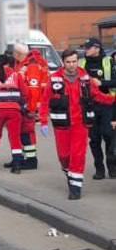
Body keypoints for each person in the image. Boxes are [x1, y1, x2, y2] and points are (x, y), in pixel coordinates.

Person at [48, 48, 115, 200]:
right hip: (62, 125)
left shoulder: (85, 78)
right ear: (63, 63)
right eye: (68, 62)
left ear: (77, 61)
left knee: (78, 155)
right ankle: (70, 173)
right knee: (64, 156)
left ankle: (75, 189)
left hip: (80, 125)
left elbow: (98, 96)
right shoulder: (54, 79)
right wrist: (44, 122)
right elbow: (46, 99)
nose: (71, 65)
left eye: (74, 61)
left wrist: (113, 99)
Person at [0, 54, 26, 173]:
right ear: (9, 63)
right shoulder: (17, 76)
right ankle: (17, 165)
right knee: (15, 137)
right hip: (14, 111)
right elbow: (25, 93)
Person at [80, 37, 115, 179]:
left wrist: (101, 83)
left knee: (108, 136)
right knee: (94, 139)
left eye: (88, 48)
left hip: (107, 105)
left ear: (97, 48)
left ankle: (112, 168)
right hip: (90, 105)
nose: (86, 50)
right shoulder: (82, 63)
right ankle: (99, 169)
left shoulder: (108, 61)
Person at [12, 42, 49, 171]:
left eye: (14, 53)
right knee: (20, 133)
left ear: (18, 54)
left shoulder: (31, 66)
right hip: (23, 105)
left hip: (28, 107)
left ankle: (31, 160)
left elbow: (33, 90)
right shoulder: (23, 64)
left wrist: (31, 109)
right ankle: (21, 158)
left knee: (26, 133)